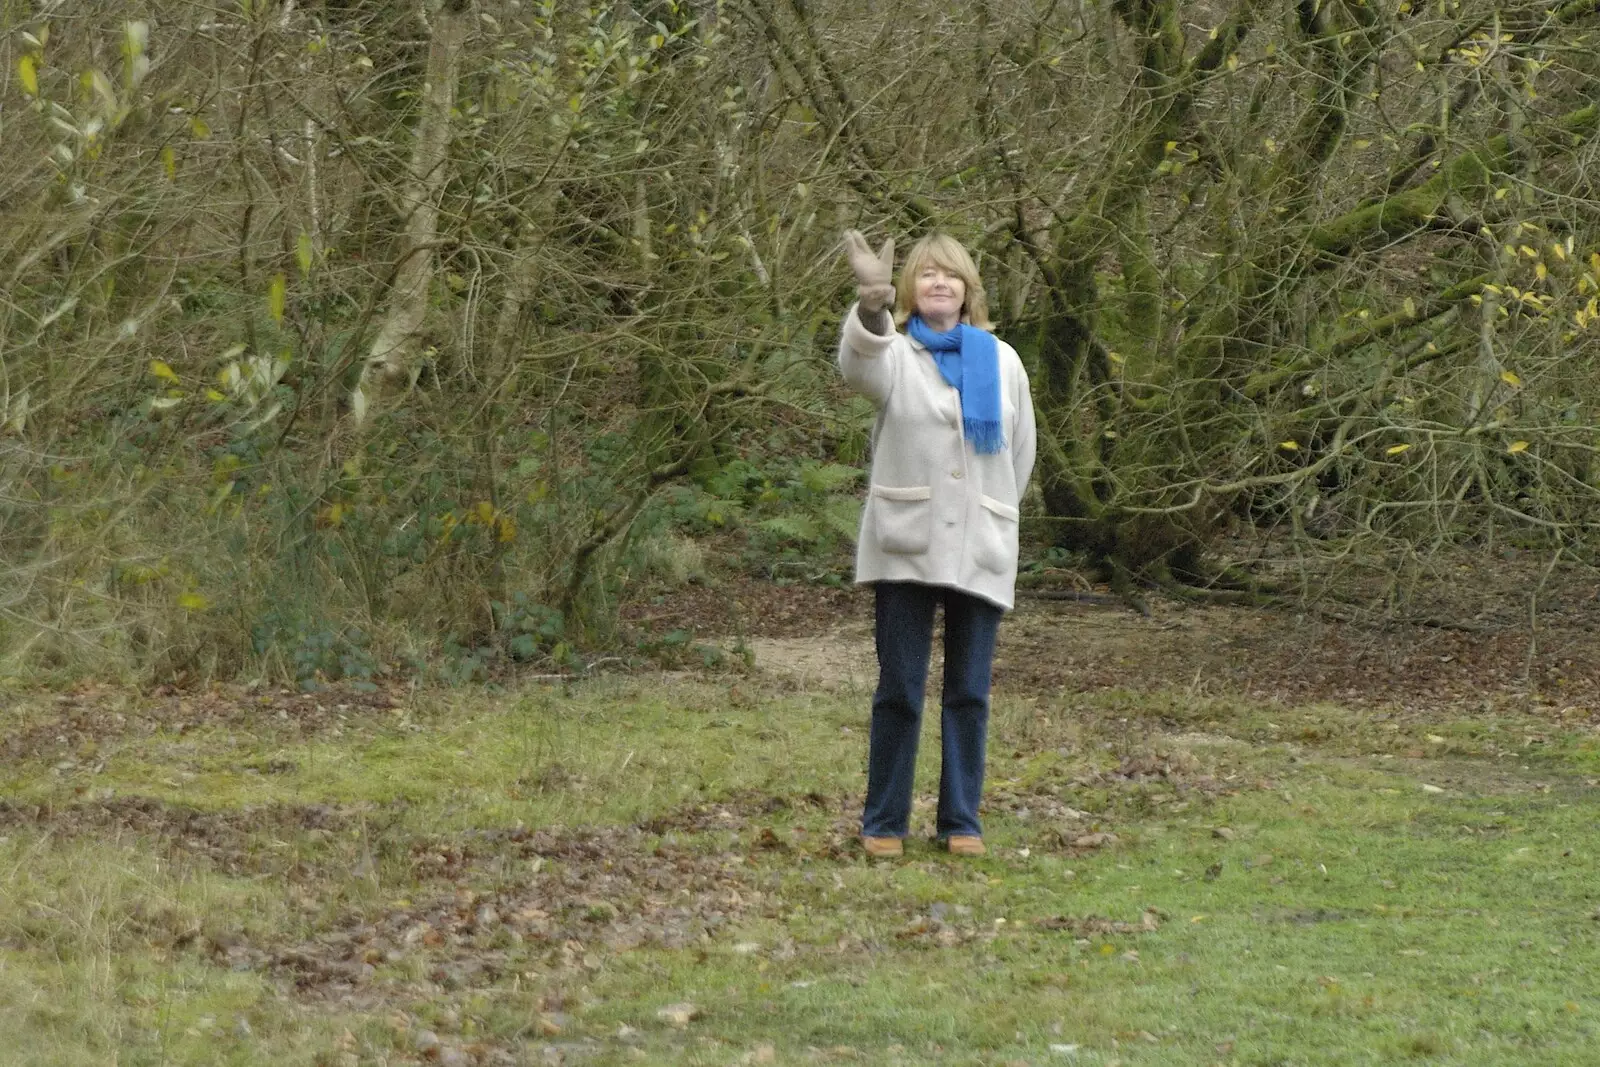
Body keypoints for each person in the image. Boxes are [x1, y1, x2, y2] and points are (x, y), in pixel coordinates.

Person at [837, 229, 1037, 859]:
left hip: (980, 543)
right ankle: (884, 822)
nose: (939, 284)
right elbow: (858, 366)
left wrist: (995, 511)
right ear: (908, 289)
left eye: (950, 275)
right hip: (907, 543)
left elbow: (1021, 451)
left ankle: (961, 822)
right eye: (925, 275)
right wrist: (870, 307)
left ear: (968, 288)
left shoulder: (1002, 360)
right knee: (899, 687)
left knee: (969, 691)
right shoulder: (894, 353)